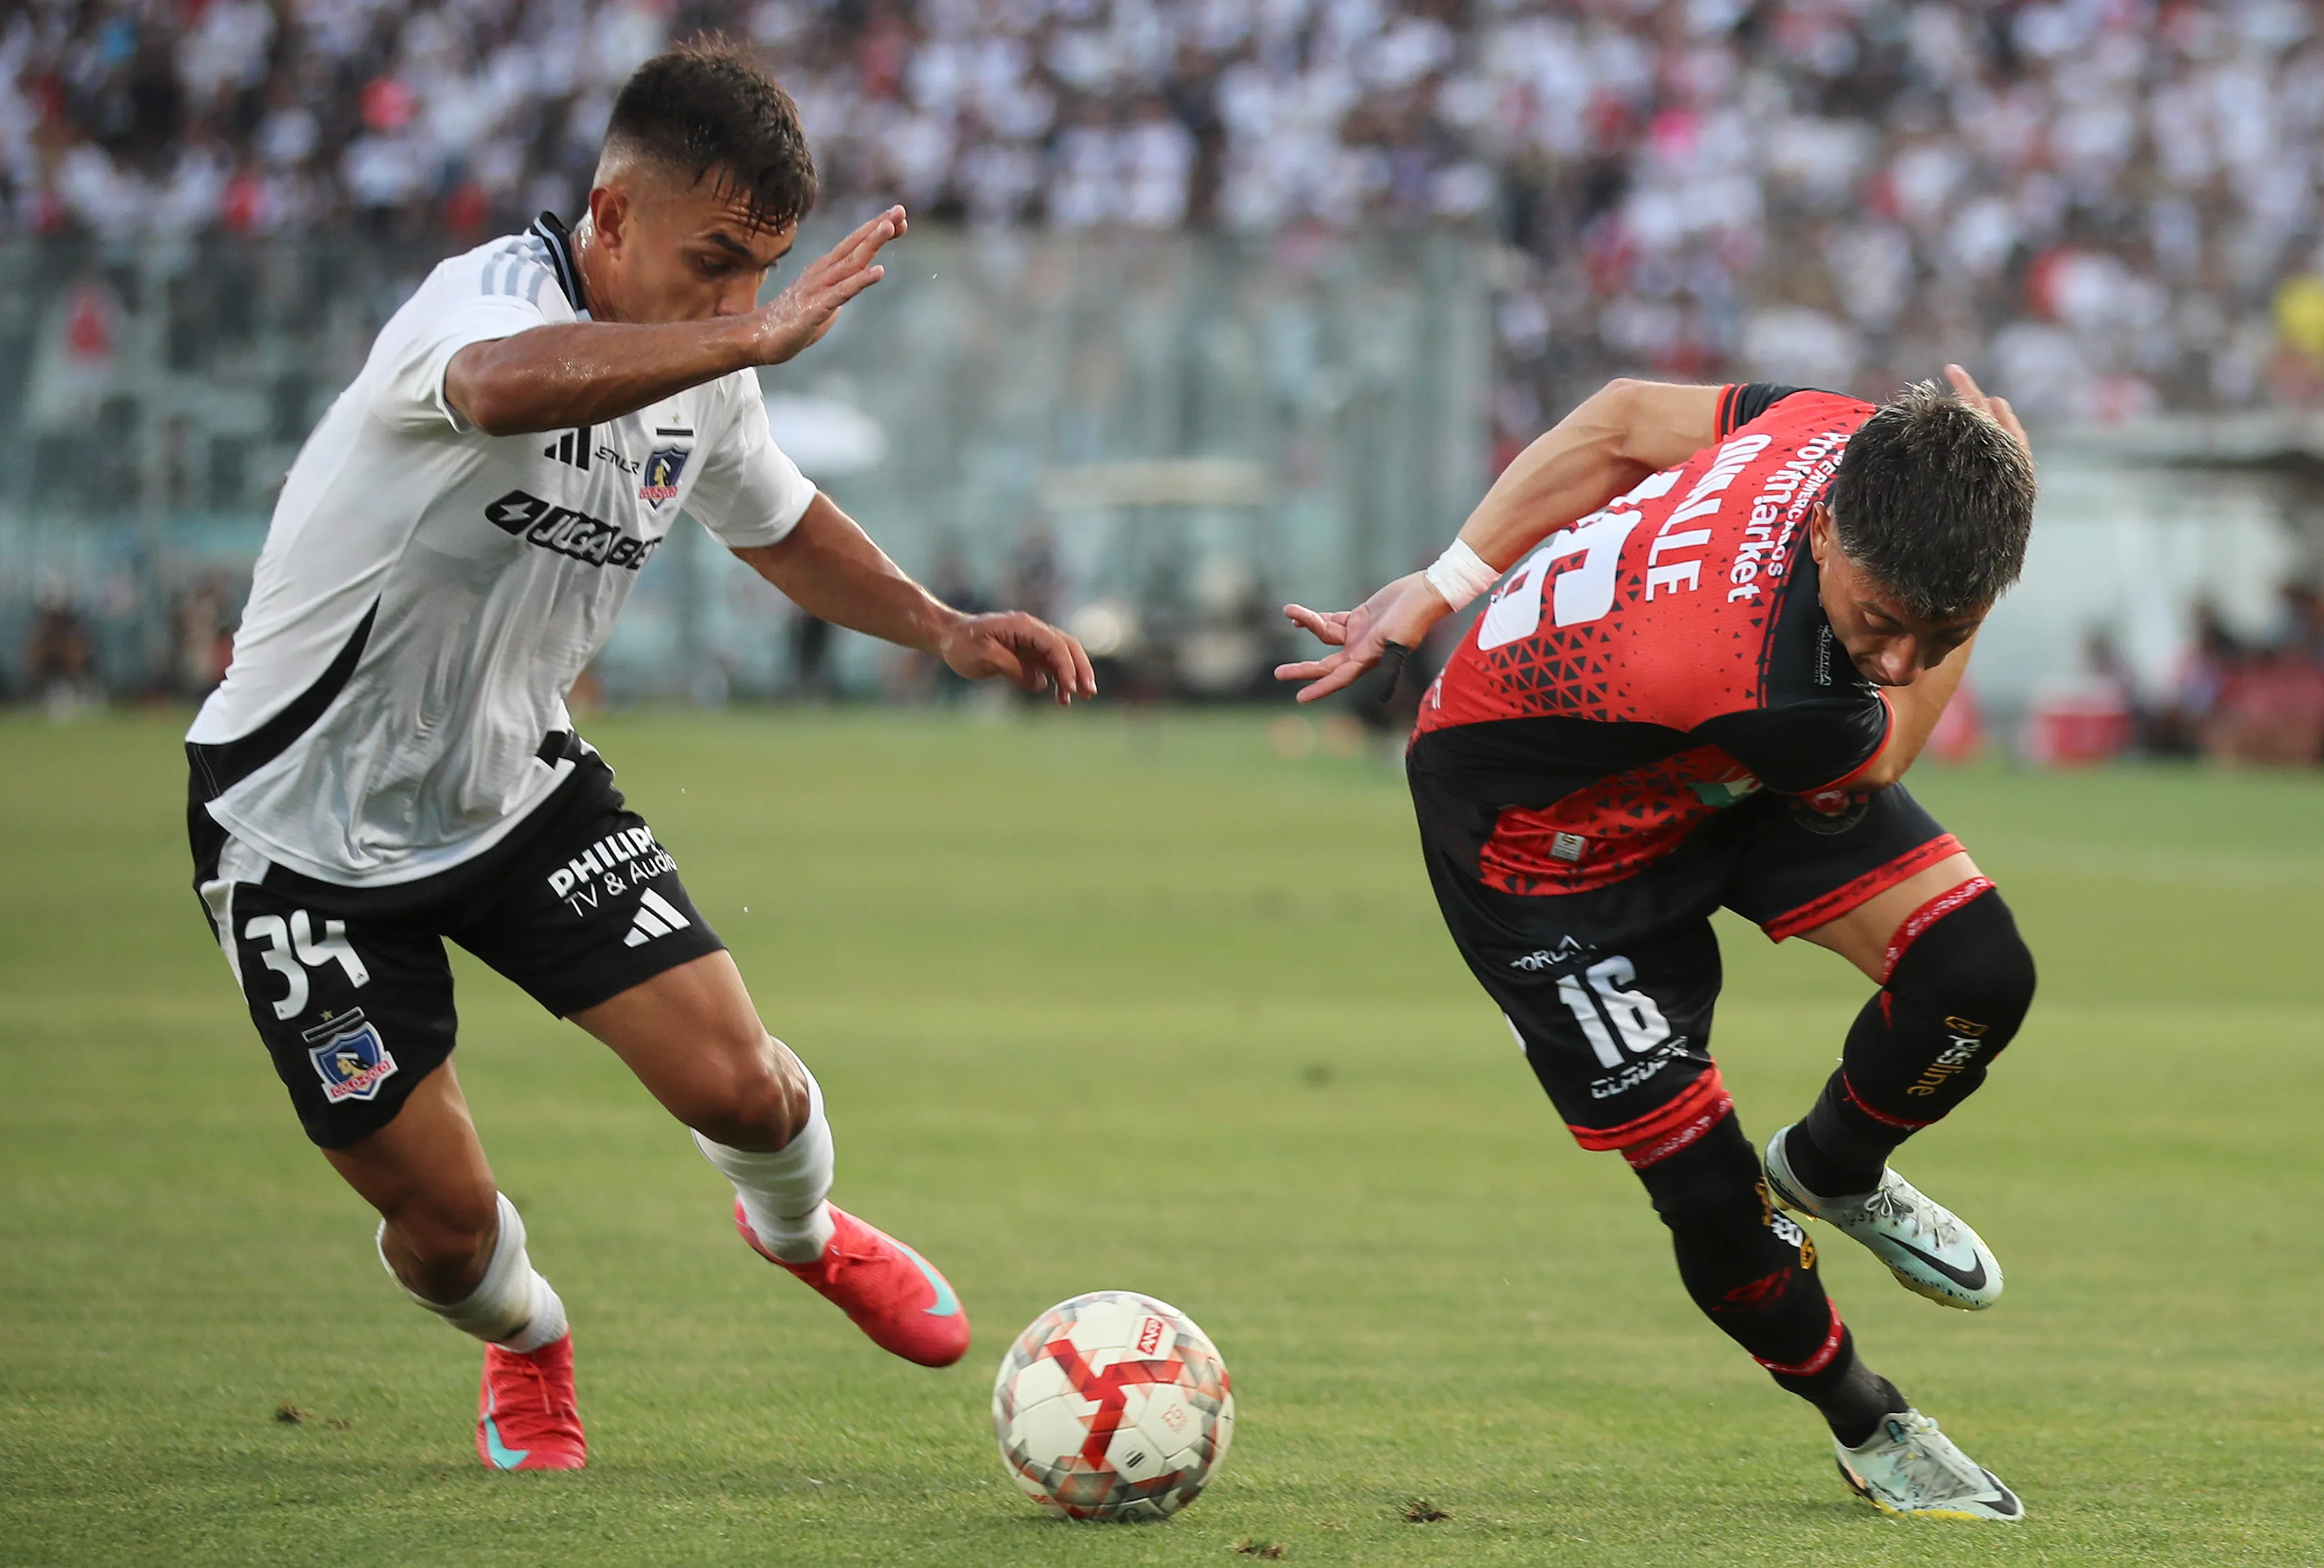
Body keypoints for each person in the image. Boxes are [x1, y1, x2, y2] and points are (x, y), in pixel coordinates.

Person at [183, 38, 1095, 1472]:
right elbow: (490, 389)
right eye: (716, 259)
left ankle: (799, 1230)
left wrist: (946, 627)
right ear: (610, 216)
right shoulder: (483, 301)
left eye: (762, 272)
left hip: (514, 791)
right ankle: (527, 1334)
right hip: (300, 831)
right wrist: (744, 335)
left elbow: (776, 520)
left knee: (748, 1087)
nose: (740, 300)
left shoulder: (704, 365)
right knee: (445, 1236)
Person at [1279, 369, 2038, 1520]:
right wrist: (1976, 596)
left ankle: (1830, 1171)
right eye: (1887, 622)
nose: (1901, 658)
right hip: (1543, 850)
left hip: (1698, 766)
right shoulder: (1774, 680)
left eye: (1949, 631)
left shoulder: (1838, 432)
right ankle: (1867, 1417)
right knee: (1710, 1195)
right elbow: (1882, 748)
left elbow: (1629, 413)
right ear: (1827, 523)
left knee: (1978, 973)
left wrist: (1440, 588)